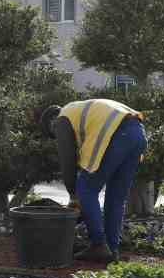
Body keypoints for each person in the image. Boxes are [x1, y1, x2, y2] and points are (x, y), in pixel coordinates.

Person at [41, 98, 148, 263]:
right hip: (137, 133)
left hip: (116, 133)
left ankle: (98, 244)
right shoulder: (80, 111)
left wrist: (73, 194)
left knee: (86, 188)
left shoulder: (62, 119)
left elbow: (67, 159)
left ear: (52, 123)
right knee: (116, 197)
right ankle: (111, 249)